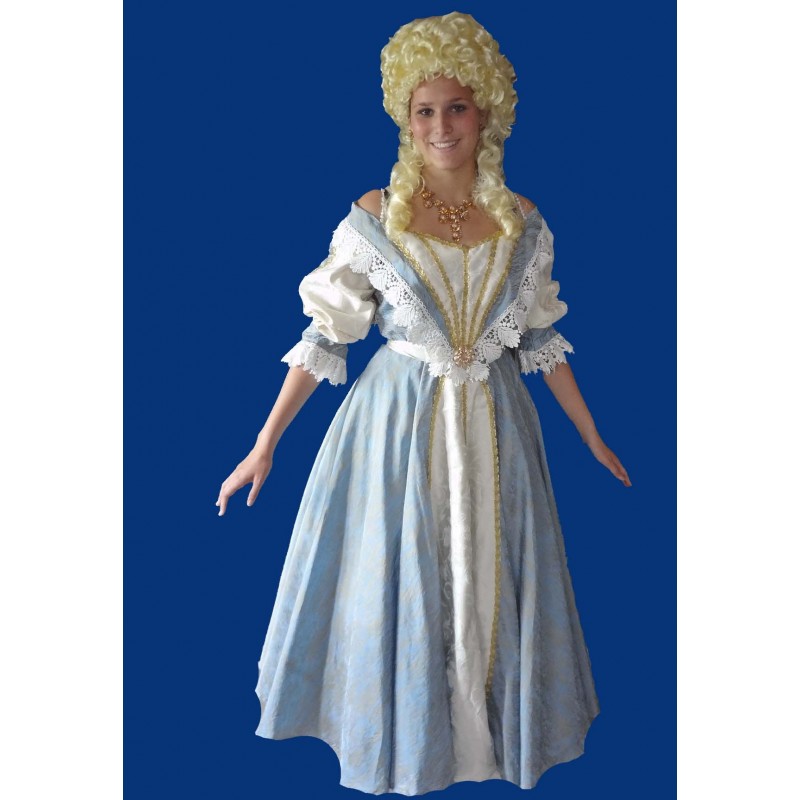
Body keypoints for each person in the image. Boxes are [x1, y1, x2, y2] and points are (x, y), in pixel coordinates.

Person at [216, 11, 631, 796]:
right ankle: (408, 744)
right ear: (406, 119)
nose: (441, 126)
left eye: (457, 107)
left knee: (495, 579)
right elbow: (326, 334)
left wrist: (590, 434)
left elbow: (540, 338)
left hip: (497, 426)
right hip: (395, 429)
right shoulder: (377, 217)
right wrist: (264, 442)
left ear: (486, 112)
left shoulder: (523, 222)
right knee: (397, 579)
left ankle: (485, 741)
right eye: (424, 110)